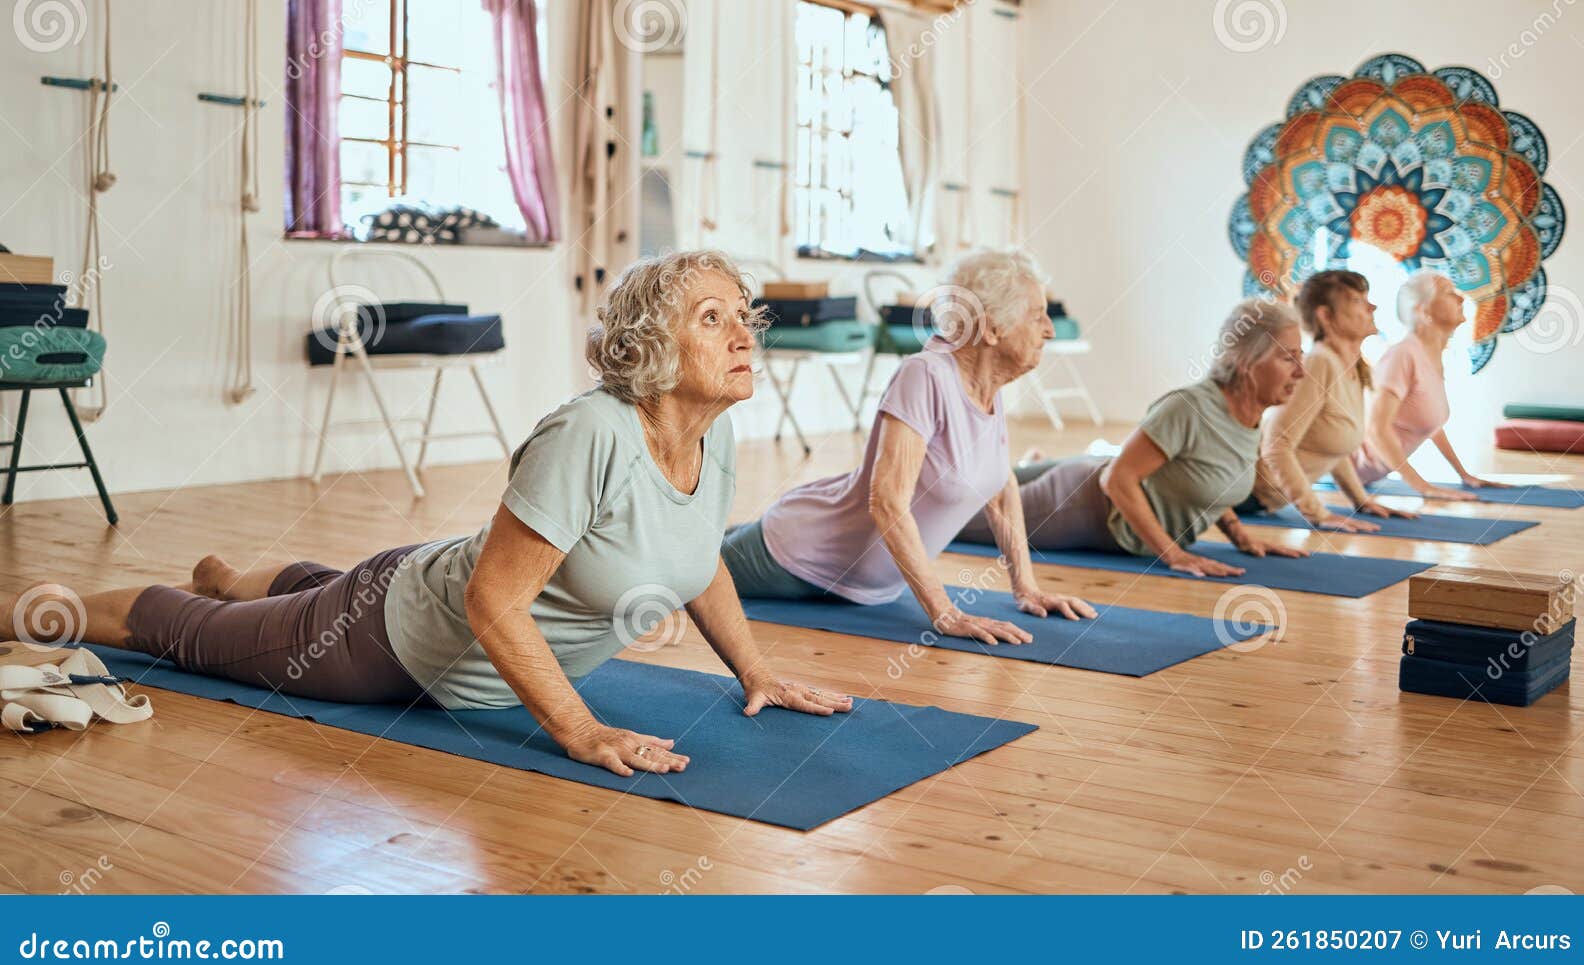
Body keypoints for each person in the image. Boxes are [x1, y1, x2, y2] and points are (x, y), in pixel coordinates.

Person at [0, 251, 851, 778]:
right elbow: (493, 602)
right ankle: (35, 605)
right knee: (182, 631)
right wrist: (579, 729)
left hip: (417, 576)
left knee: (295, 594)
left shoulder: (715, 434)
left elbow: (696, 555)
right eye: (714, 318)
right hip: (390, 638)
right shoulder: (590, 432)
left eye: (745, 316)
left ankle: (230, 577)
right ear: (651, 347)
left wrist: (757, 673)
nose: (744, 333)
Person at [723, 248, 1097, 648]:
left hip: (859, 583)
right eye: (1036, 315)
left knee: (710, 541)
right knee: (676, 570)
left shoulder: (990, 385)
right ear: (990, 330)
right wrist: (944, 612)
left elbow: (1000, 488)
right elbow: (887, 502)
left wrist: (1027, 588)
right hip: (799, 554)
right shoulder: (924, 374)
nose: (1049, 329)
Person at [958, 298, 1311, 578]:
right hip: (1080, 504)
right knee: (950, 518)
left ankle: (1029, 465)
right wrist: (1174, 556)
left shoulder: (1249, 415)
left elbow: (1214, 480)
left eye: (1301, 356)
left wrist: (1242, 538)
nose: (1301, 371)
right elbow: (1117, 479)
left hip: (1095, 478)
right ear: (1248, 362)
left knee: (981, 485)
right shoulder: (1190, 408)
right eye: (1287, 358)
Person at [1237, 270, 1415, 531]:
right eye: (1357, 301)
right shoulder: (1319, 363)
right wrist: (1319, 514)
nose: (1372, 306)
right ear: (1326, 315)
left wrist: (1361, 501)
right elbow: (1276, 446)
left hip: (1262, 504)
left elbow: (1332, 447)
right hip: (1240, 497)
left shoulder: (1351, 367)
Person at [1352, 270, 1511, 500]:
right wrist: (1423, 487)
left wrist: (1464, 475)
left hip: (1365, 477)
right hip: (1335, 471)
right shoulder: (1402, 355)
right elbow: (1376, 428)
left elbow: (1430, 423)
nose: (1461, 298)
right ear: (1423, 310)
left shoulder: (1430, 356)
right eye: (1449, 293)